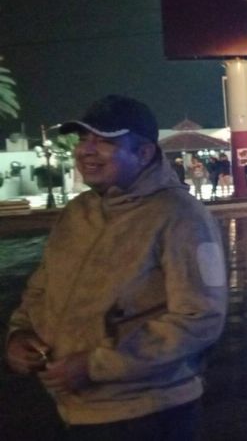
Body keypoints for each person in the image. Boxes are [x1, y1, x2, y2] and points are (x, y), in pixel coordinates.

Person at [5, 95, 227, 439]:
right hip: (73, 411)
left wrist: (95, 366)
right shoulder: (78, 212)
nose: (86, 151)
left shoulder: (181, 215)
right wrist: (19, 335)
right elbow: (41, 288)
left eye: (105, 141)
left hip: (148, 415)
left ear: (143, 153)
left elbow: (200, 318)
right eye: (83, 139)